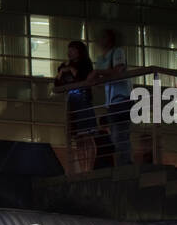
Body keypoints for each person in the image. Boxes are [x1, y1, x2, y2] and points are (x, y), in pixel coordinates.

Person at [92, 28, 133, 165]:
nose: (103, 40)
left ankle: (125, 163)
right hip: (111, 102)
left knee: (120, 134)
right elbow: (99, 81)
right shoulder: (100, 58)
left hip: (122, 98)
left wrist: (98, 73)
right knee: (116, 134)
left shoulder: (117, 52)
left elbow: (118, 70)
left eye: (105, 37)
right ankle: (123, 163)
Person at [55, 41, 97, 172]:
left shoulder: (85, 64)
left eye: (72, 49)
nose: (69, 52)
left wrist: (71, 70)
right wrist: (63, 71)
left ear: (79, 51)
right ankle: (83, 168)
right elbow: (57, 84)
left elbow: (82, 79)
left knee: (87, 136)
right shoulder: (63, 66)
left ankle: (89, 168)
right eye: (69, 49)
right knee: (78, 137)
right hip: (71, 103)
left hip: (82, 100)